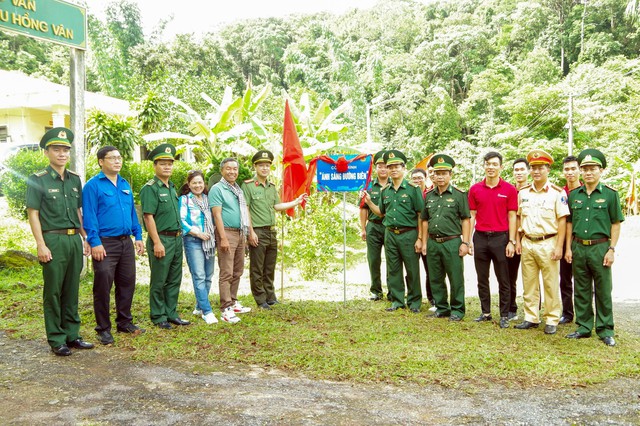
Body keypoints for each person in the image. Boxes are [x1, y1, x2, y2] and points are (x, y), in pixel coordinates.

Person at [26, 127, 94, 356]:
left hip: (74, 239)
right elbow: (33, 213)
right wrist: (40, 244)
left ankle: (72, 335)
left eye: (65, 149)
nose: (62, 153)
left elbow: (77, 211)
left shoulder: (75, 179)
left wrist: (85, 238)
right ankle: (56, 339)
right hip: (52, 239)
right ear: (47, 152)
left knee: (72, 289)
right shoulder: (39, 180)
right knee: (53, 291)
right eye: (57, 149)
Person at [82, 146, 146, 345]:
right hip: (105, 243)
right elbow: (89, 216)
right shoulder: (93, 186)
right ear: (101, 161)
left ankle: (124, 322)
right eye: (113, 158)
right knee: (103, 285)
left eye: (120, 157)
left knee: (127, 283)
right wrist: (95, 242)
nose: (118, 161)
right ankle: (103, 328)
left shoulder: (125, 184)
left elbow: (132, 214)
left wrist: (138, 235)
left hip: (125, 242)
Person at [565, 149, 623, 347]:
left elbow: (616, 223)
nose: (588, 172)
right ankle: (583, 326)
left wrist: (612, 249)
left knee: (603, 290)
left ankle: (605, 329)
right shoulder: (574, 195)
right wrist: (568, 248)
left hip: (600, 248)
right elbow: (570, 223)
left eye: (593, 169)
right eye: (585, 169)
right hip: (579, 246)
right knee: (580, 289)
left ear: (601, 170)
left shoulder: (610, 194)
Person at [513, 150, 569, 335]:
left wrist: (559, 246)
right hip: (528, 241)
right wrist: (518, 240)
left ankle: (552, 318)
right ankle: (531, 317)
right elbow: (520, 217)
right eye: (534, 168)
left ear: (548, 169)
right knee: (529, 283)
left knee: (550, 283)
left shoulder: (557, 193)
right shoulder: (523, 193)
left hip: (548, 242)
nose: (536, 171)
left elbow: (562, 220)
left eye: (540, 168)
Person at [242, 150, 306, 309]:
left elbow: (277, 206)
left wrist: (296, 202)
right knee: (257, 268)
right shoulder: (248, 186)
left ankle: (270, 297)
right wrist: (250, 232)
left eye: (267, 165)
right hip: (257, 231)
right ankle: (261, 300)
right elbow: (246, 210)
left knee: (269, 267)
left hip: (271, 231)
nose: (264, 168)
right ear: (255, 166)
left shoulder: (271, 187)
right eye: (261, 165)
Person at [363, 150, 424, 313]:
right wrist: (369, 202)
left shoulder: (413, 189)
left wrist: (420, 238)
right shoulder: (385, 191)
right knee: (393, 268)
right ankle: (397, 300)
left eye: (397, 166)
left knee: (412, 269)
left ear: (404, 169)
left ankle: (414, 301)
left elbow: (420, 214)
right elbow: (381, 212)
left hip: (409, 234)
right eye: (390, 167)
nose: (393, 169)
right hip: (390, 233)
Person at [140, 143, 190, 329]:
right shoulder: (150, 188)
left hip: (176, 239)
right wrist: (157, 242)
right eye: (163, 163)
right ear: (155, 165)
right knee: (159, 279)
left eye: (170, 163)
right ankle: (158, 314)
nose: (167, 166)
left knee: (174, 278)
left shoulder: (171, 187)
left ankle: (171, 312)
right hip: (161, 239)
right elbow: (148, 217)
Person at [468, 151, 518, 329]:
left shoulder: (509, 190)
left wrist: (512, 241)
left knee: (503, 279)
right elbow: (472, 215)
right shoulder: (475, 189)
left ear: (500, 167)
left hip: (501, 238)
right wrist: (467, 240)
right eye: (488, 163)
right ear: (484, 166)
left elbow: (513, 216)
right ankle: (485, 312)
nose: (491, 167)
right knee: (482, 278)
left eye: (494, 164)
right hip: (480, 237)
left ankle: (504, 314)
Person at [420, 154, 471, 321]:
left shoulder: (459, 194)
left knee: (455, 277)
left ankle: (457, 310)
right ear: (432, 175)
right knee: (435, 276)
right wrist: (425, 241)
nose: (440, 177)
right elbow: (425, 220)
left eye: (444, 173)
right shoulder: (429, 195)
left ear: (450, 175)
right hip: (434, 242)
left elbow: (466, 219)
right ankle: (442, 308)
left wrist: (465, 242)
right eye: (437, 173)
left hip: (452, 242)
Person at [209, 157, 253, 324]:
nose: (232, 171)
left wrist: (248, 233)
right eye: (228, 168)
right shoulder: (217, 189)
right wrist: (223, 238)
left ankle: (233, 301)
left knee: (238, 270)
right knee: (226, 272)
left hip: (240, 232)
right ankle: (225, 307)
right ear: (222, 170)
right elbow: (217, 214)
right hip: (227, 233)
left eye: (235, 169)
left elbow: (243, 211)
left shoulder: (237, 189)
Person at [179, 170, 217, 324]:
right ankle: (207, 311)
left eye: (200, 182)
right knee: (199, 276)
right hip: (193, 241)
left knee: (208, 276)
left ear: (204, 183)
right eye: (194, 182)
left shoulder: (209, 199)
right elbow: (181, 221)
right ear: (189, 184)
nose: (197, 185)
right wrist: (198, 233)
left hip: (209, 242)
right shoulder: (184, 200)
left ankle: (199, 306)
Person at [359, 150, 389, 301]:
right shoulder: (369, 186)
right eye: (380, 166)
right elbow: (363, 208)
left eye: (386, 166)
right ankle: (376, 291)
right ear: (376, 168)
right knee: (374, 259)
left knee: (392, 259)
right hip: (373, 227)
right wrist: (363, 228)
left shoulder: (394, 185)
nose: (383, 169)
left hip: (390, 227)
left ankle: (393, 290)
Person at [506, 158, 530, 321]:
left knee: (532, 278)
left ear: (527, 171)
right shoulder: (510, 191)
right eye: (516, 170)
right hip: (513, 239)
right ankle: (510, 307)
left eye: (522, 169)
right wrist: (513, 240)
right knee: (509, 275)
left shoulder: (533, 191)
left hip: (531, 239)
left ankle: (534, 310)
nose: (519, 173)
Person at [559, 155, 582, 324]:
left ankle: (583, 315)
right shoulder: (560, 193)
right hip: (563, 243)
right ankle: (567, 313)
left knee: (582, 281)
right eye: (567, 169)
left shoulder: (585, 190)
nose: (570, 172)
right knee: (565, 279)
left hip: (581, 242)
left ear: (579, 170)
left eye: (573, 168)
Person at [411, 167, 436, 310]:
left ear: (425, 179)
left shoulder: (429, 194)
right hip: (410, 235)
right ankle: (414, 297)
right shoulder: (408, 193)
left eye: (420, 178)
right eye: (414, 178)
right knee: (412, 268)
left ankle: (433, 298)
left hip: (427, 236)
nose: (417, 181)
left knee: (430, 268)